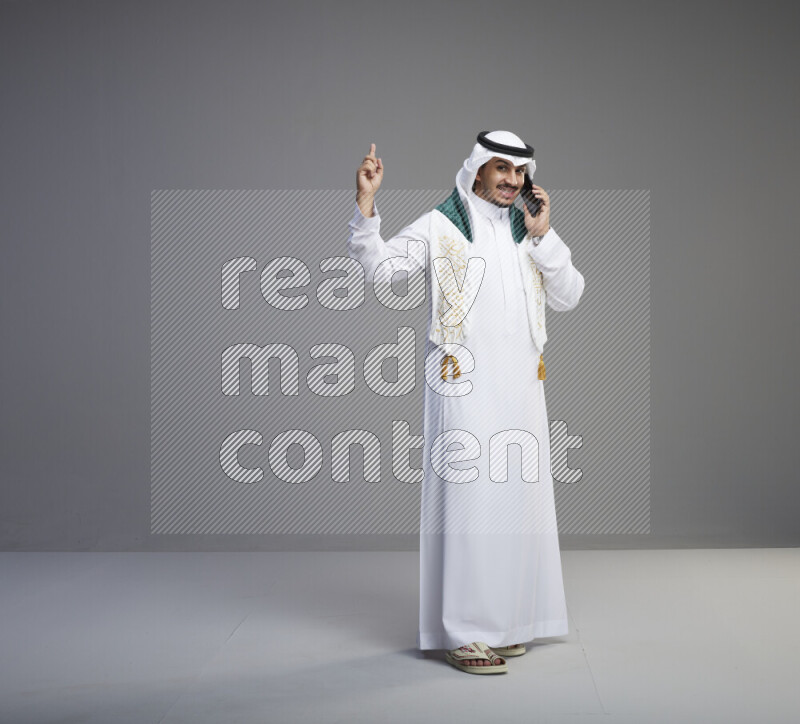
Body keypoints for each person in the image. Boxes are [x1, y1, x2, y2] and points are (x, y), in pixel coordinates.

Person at [347, 131, 585, 674]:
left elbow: (570, 294)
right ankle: (464, 632)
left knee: (516, 502)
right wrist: (366, 205)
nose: (511, 181)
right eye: (501, 170)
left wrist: (545, 236)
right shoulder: (441, 225)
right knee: (469, 504)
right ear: (477, 171)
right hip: (462, 383)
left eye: (519, 173)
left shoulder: (530, 232)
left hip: (522, 386)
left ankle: (503, 625)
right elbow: (383, 270)